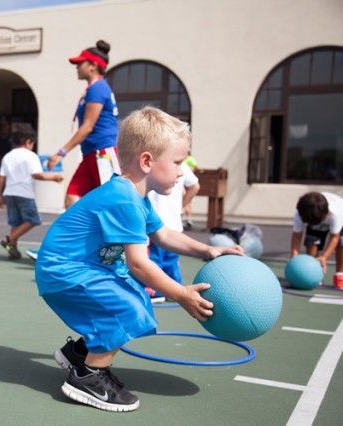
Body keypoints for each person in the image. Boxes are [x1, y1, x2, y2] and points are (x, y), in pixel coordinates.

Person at [35, 106, 243, 412]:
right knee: (128, 309)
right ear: (147, 161)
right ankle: (88, 377)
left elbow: (164, 235)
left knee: (136, 299)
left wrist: (208, 251)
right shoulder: (123, 199)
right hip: (65, 271)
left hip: (82, 267)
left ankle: (79, 354)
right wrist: (180, 293)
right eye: (177, 162)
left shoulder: (135, 197)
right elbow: (139, 263)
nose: (182, 171)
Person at [46, 40, 120, 209]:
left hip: (103, 153)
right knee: (72, 196)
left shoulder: (98, 88)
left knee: (110, 204)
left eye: (80, 63)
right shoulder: (94, 88)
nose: (77, 67)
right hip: (91, 153)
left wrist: (61, 153)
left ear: (93, 65)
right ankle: (85, 235)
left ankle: (137, 234)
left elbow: (87, 126)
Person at [0, 129, 63, 260]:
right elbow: (36, 174)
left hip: (9, 192)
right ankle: (9, 239)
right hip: (24, 192)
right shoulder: (31, 156)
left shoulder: (7, 156)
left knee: (15, 222)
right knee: (33, 220)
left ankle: (12, 249)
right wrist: (53, 177)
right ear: (28, 141)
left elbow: (1, 177)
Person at [147, 161, 200, 296]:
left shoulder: (154, 162)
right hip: (171, 224)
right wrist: (180, 206)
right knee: (170, 261)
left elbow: (195, 186)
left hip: (156, 226)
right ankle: (176, 290)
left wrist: (181, 205)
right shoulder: (180, 163)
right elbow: (195, 186)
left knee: (155, 261)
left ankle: (156, 290)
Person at [290, 191, 343, 288]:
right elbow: (297, 235)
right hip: (315, 218)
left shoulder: (336, 214)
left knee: (341, 243)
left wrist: (325, 257)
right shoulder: (301, 212)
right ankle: (315, 274)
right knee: (311, 243)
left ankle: (340, 275)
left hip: (341, 223)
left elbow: (334, 237)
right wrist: (294, 257)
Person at [182, 153, 199, 230]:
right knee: (188, 203)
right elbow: (196, 167)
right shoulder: (190, 160)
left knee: (187, 203)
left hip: (186, 185)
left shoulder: (185, 161)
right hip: (186, 185)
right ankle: (188, 219)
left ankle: (188, 219)